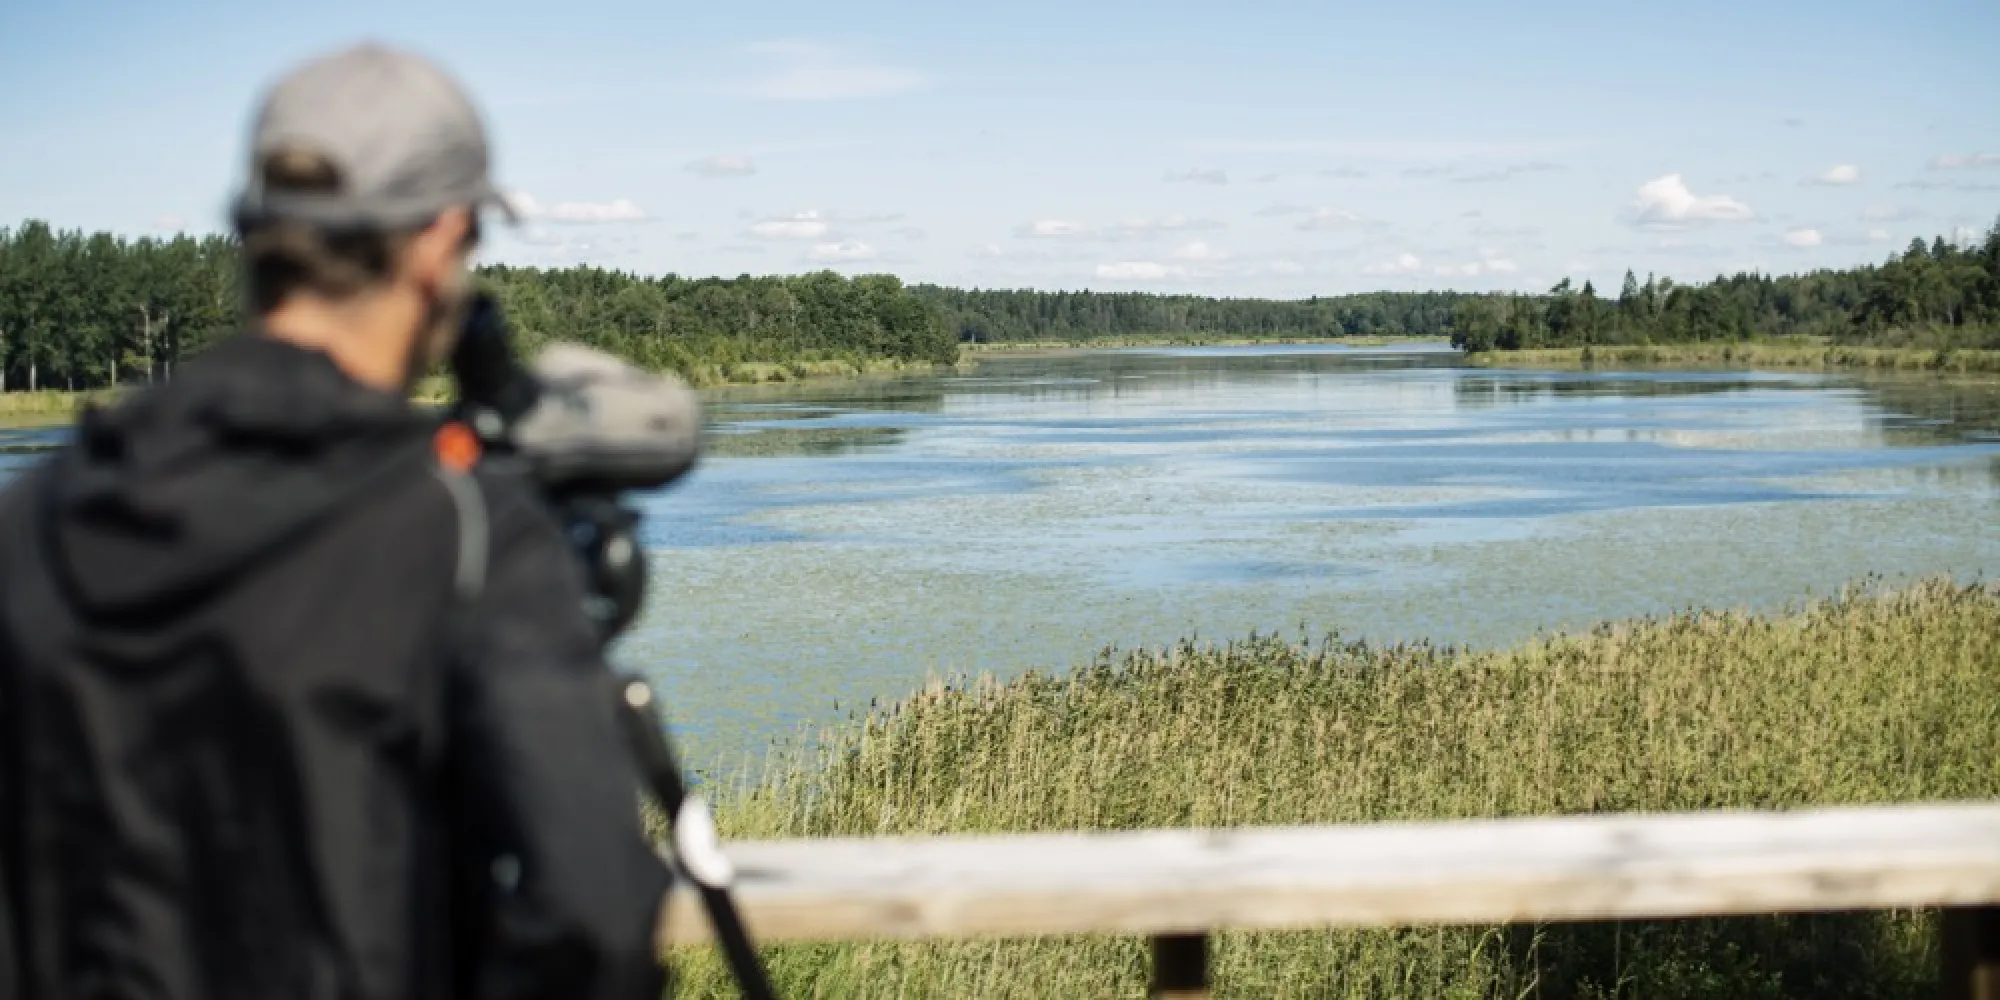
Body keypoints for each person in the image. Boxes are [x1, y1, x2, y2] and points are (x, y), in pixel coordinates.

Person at [0, 43, 672, 1000]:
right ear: (441, 241)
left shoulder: (41, 512)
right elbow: (597, 909)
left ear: (256, 236)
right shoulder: (465, 530)